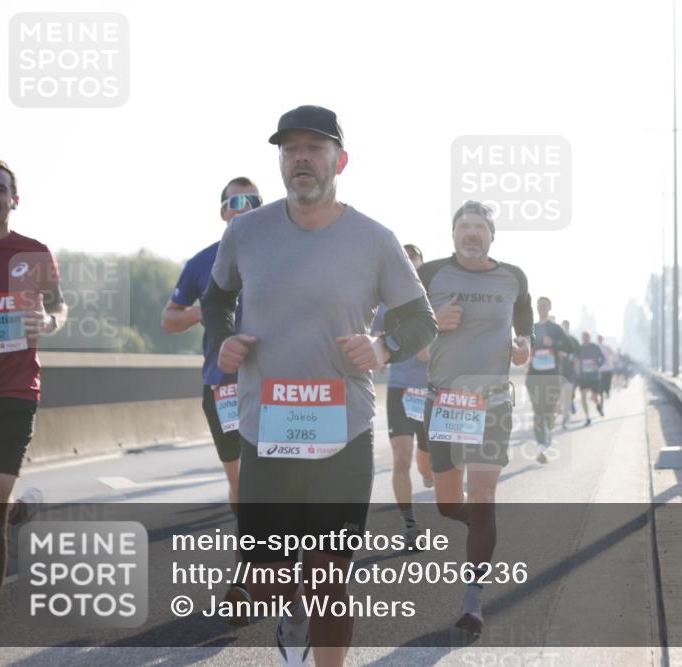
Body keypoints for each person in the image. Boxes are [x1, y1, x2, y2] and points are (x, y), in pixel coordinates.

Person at [201, 105, 436, 667]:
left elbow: (420, 320)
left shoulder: (375, 239)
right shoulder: (246, 232)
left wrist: (383, 347)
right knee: (269, 578)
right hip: (267, 430)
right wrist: (223, 341)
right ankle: (290, 611)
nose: (300, 157)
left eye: (314, 147)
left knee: (330, 576)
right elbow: (214, 300)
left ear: (340, 159)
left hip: (343, 430)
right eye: (289, 149)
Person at [418, 200, 532, 636]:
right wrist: (433, 322)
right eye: (463, 226)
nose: (470, 232)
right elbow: (400, 325)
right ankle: (469, 520)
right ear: (452, 234)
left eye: (478, 226)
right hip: (445, 401)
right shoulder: (429, 275)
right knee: (448, 503)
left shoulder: (514, 277)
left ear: (491, 234)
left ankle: (473, 600)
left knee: (483, 497)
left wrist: (524, 345)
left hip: (493, 403)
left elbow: (523, 324)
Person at [161, 176, 262, 623]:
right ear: (222, 212)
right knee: (242, 483)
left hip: (274, 385)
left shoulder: (282, 256)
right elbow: (169, 319)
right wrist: (209, 304)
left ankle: (252, 575)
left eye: (252, 201)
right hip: (221, 383)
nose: (242, 207)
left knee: (273, 479)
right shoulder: (203, 262)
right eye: (234, 201)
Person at [0, 157, 67, 667]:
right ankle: (18, 513)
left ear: (14, 199)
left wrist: (49, 322)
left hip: (15, 390)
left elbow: (59, 307)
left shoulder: (33, 254)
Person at [371, 243, 433, 547]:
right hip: (399, 390)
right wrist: (377, 356)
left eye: (414, 263)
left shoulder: (433, 305)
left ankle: (430, 472)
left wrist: (428, 351)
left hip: (430, 391)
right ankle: (410, 525)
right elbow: (371, 338)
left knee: (427, 465)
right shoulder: (385, 306)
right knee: (400, 458)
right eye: (404, 262)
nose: (409, 267)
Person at [525, 297, 574, 463]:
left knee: (549, 411)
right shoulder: (531, 328)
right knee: (538, 412)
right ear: (536, 308)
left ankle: (547, 437)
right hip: (534, 377)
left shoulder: (555, 329)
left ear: (550, 308)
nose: (542, 308)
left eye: (545, 306)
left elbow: (571, 346)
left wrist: (554, 344)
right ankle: (541, 446)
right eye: (539, 306)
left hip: (552, 376)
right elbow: (523, 347)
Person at [575, 331, 606, 426]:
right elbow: (575, 359)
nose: (585, 338)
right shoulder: (579, 348)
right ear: (582, 338)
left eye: (587, 337)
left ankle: (598, 405)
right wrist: (577, 368)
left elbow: (603, 359)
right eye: (583, 337)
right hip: (583, 376)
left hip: (594, 376)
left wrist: (598, 365)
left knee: (594, 397)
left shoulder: (595, 347)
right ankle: (587, 417)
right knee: (583, 396)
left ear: (590, 337)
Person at [558, 319, 579, 429]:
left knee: (566, 393)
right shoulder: (556, 340)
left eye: (565, 327)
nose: (564, 329)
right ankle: (563, 408)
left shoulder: (573, 341)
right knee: (559, 396)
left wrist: (566, 356)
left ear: (568, 327)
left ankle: (565, 417)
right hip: (556, 372)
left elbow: (577, 356)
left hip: (569, 372)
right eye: (562, 328)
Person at [597, 334, 618, 403]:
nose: (600, 339)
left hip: (608, 368)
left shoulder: (606, 347)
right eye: (599, 338)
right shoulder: (596, 347)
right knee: (601, 384)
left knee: (608, 382)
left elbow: (613, 354)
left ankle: (607, 392)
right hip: (599, 369)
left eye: (601, 338)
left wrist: (614, 361)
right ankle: (601, 395)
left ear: (602, 339)